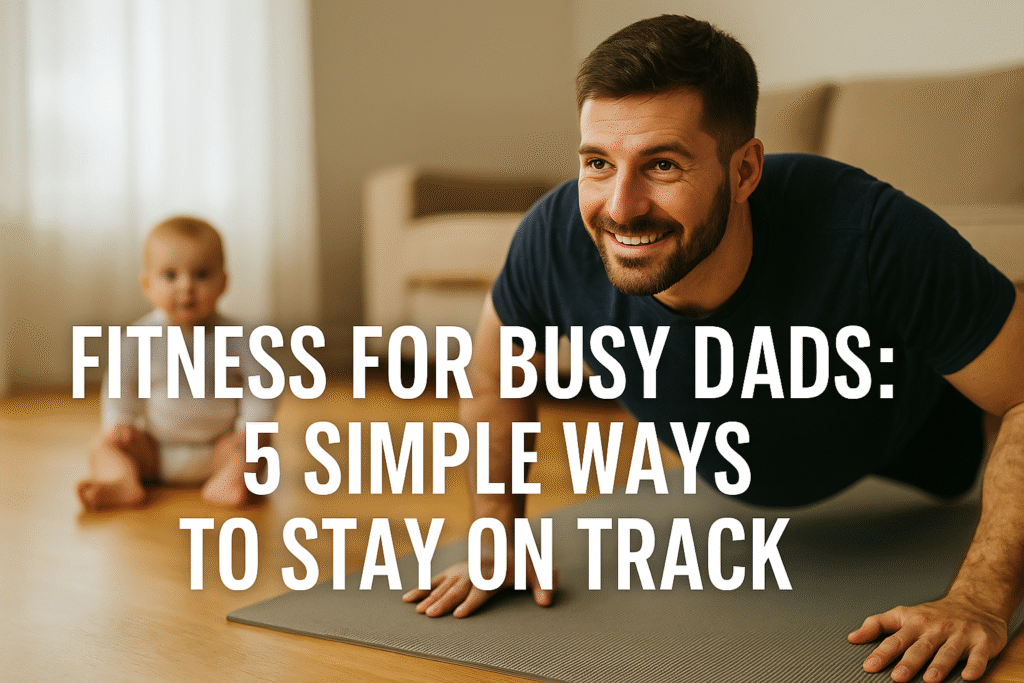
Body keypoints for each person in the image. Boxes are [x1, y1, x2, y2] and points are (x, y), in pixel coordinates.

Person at [401, 14, 1024, 683]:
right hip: (732, 457)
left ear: (745, 170)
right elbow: (495, 381)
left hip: (915, 441)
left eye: (662, 164)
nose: (621, 205)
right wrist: (497, 534)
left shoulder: (869, 232)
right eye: (597, 163)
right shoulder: (554, 236)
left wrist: (980, 598)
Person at [77, 216, 277, 511]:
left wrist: (250, 427)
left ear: (223, 282)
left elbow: (263, 386)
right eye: (170, 276)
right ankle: (121, 481)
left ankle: (230, 479)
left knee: (258, 446)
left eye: (201, 275)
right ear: (147, 284)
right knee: (103, 446)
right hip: (156, 451)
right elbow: (121, 385)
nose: (186, 286)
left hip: (218, 449)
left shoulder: (242, 338)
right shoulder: (138, 338)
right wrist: (119, 421)